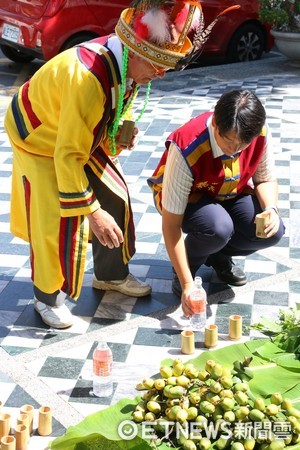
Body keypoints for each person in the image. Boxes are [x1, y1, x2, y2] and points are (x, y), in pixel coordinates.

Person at [5, 0, 236, 329]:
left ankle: (110, 275)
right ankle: (47, 298)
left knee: (115, 195)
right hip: (39, 138)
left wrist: (115, 135)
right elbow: (68, 155)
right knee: (55, 219)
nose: (160, 73)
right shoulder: (87, 78)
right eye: (157, 65)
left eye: (166, 66)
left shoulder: (124, 63)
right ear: (134, 50)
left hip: (73, 134)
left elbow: (97, 123)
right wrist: (92, 212)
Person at [148, 89, 285, 318]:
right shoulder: (187, 145)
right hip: (189, 200)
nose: (235, 150)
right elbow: (170, 224)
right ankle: (186, 268)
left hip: (230, 193)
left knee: (272, 231)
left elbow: (265, 179)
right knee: (218, 228)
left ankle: (216, 254)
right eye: (228, 141)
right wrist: (187, 285)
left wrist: (271, 209)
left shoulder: (257, 132)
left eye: (243, 144)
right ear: (215, 126)